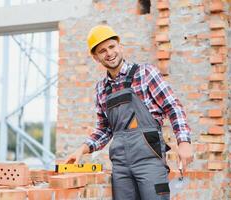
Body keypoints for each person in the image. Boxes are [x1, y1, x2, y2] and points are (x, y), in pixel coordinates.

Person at [65, 25, 193, 200]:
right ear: (96, 58)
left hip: (150, 163)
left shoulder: (145, 73)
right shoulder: (102, 89)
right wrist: (82, 149)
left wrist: (184, 142)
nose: (109, 53)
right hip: (121, 167)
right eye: (102, 51)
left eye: (112, 47)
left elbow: (173, 107)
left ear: (120, 47)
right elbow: (104, 129)